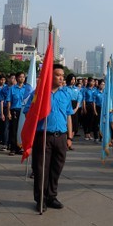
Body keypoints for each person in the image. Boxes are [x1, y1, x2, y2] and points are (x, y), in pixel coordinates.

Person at [24, 64, 73, 212]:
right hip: (44, 135)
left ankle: (52, 196)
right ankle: (40, 199)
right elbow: (28, 113)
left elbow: (69, 115)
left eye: (62, 76)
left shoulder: (65, 94)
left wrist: (70, 136)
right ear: (49, 76)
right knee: (41, 169)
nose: (61, 78)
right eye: (58, 75)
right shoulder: (38, 94)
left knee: (56, 168)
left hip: (61, 136)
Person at [7, 71, 32, 155]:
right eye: (20, 77)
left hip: (24, 111)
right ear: (17, 78)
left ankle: (21, 147)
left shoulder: (27, 89)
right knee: (14, 129)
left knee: (22, 129)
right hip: (15, 110)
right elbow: (9, 101)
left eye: (23, 77)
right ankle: (13, 148)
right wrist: (9, 112)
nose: (22, 78)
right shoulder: (12, 89)